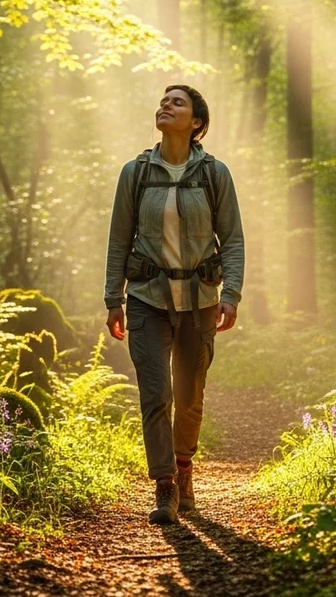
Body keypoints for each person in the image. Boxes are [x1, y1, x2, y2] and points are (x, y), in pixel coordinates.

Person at [103, 84, 244, 525]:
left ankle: (185, 469)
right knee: (155, 393)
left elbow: (233, 239)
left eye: (177, 102)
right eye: (163, 100)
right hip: (146, 299)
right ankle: (164, 485)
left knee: (189, 397)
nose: (165, 105)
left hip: (201, 301)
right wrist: (113, 297)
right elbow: (118, 239)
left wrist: (232, 294)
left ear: (197, 122)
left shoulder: (214, 174)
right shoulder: (136, 172)